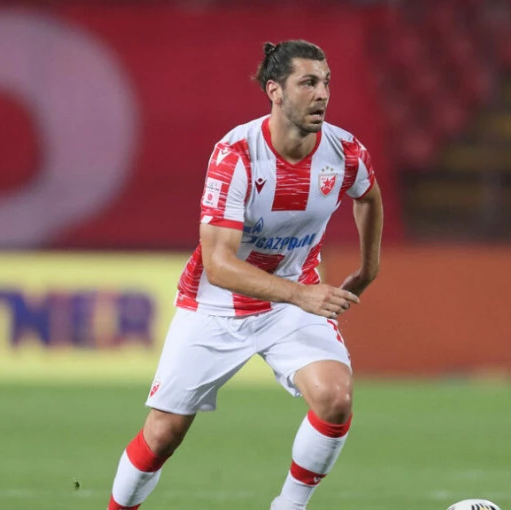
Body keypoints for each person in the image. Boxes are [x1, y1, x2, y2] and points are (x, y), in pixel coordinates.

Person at [106, 39, 383, 510]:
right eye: (308, 83)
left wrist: (369, 267)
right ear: (275, 91)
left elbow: (368, 196)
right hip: (216, 306)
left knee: (335, 398)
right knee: (163, 433)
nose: (322, 94)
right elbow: (219, 265)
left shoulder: (344, 151)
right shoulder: (236, 155)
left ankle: (289, 507)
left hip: (292, 302)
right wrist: (301, 295)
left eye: (326, 82)